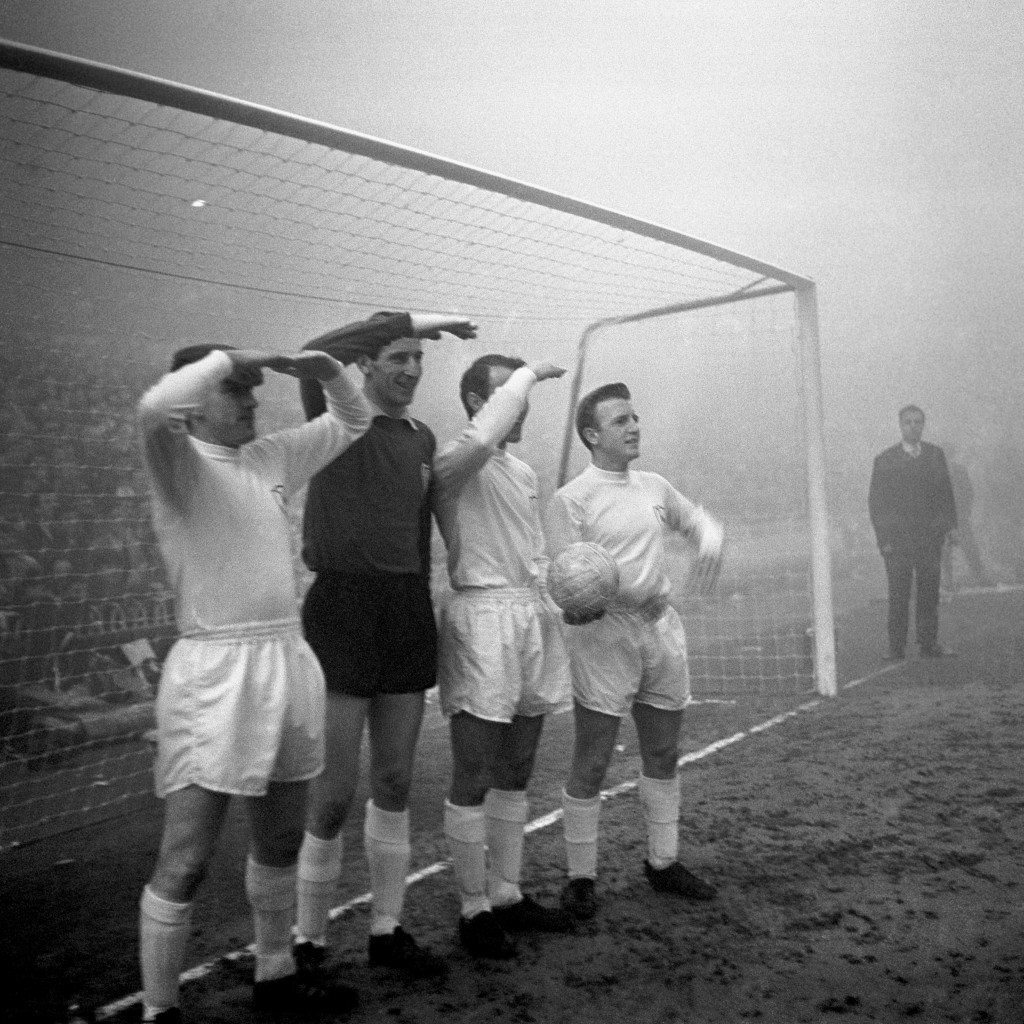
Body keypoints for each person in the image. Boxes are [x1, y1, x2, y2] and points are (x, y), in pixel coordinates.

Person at [136, 343, 371, 1023]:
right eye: (235, 389)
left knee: (280, 840)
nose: (250, 399)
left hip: (286, 659)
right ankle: (160, 1009)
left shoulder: (266, 460)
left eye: (252, 388)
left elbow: (351, 421)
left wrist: (323, 366)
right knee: (185, 859)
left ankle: (275, 975)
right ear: (199, 400)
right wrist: (227, 356)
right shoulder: (176, 464)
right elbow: (155, 407)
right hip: (213, 673)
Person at [294, 311, 475, 980]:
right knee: (333, 792)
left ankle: (386, 930)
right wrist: (416, 319)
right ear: (367, 365)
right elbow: (315, 350)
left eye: (417, 358)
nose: (410, 369)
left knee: (395, 779)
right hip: (340, 605)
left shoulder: (423, 437)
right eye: (397, 356)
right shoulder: (336, 418)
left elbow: (421, 530)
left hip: (402, 608)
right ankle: (308, 942)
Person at [546, 382, 724, 921]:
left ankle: (663, 862)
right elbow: (562, 576)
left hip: (660, 628)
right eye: (621, 420)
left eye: (635, 418)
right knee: (594, 758)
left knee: (664, 753)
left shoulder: (654, 485)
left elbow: (699, 522)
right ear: (592, 434)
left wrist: (709, 543)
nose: (633, 427)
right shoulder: (571, 499)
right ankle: (581, 877)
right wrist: (583, 601)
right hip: (604, 636)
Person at [432, 354, 575, 959]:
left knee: (517, 769)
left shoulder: (522, 471)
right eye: (505, 396)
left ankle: (508, 892)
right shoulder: (453, 462)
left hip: (530, 614)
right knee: (475, 772)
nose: (522, 408)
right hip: (482, 614)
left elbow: (532, 553)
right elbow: (486, 433)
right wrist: (527, 378)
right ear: (475, 402)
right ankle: (472, 909)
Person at [868, 404, 959, 660]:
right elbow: (877, 504)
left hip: (930, 538)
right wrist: (884, 540)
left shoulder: (935, 455)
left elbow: (945, 494)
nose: (913, 426)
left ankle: (928, 644)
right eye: (908, 422)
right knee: (899, 595)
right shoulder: (885, 460)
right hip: (898, 542)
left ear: (923, 424)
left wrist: (949, 526)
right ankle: (895, 647)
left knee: (929, 593)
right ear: (900, 425)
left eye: (918, 422)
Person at [940, 445, 994, 594]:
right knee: (945, 551)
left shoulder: (960, 471)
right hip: (943, 520)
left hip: (960, 518)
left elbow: (969, 492)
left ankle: (980, 576)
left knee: (970, 547)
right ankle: (948, 581)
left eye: (948, 454)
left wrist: (965, 512)